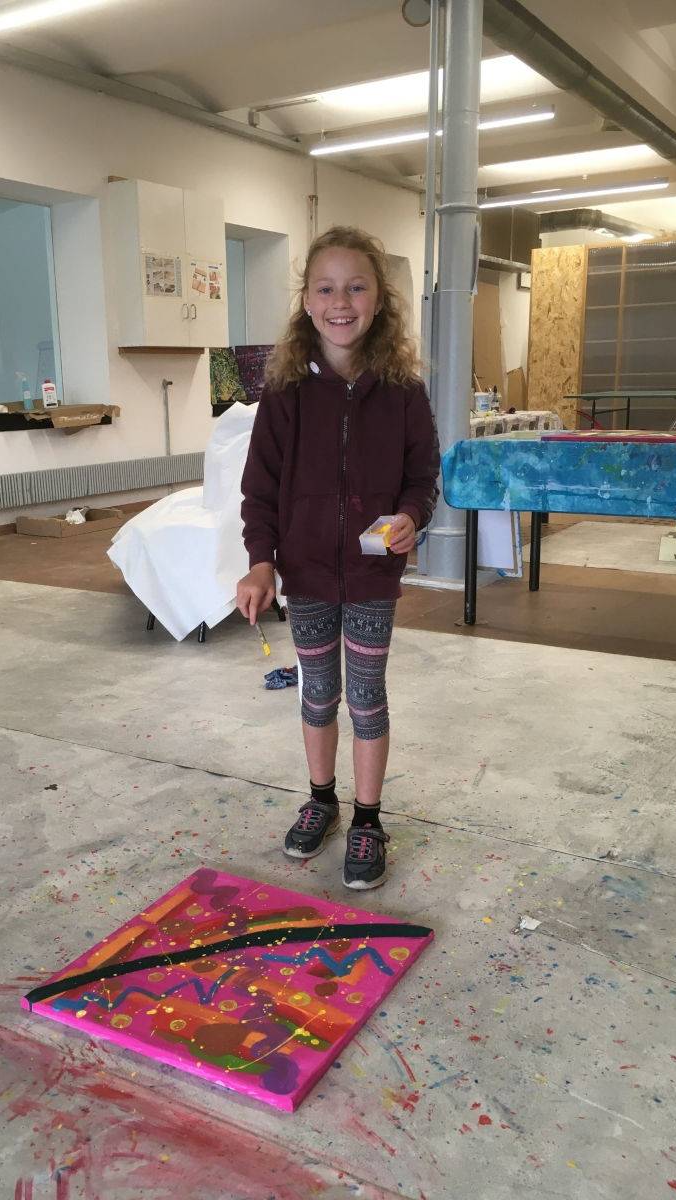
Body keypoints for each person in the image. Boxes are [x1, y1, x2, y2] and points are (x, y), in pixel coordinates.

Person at [236, 226, 440, 890]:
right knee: (318, 692)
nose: (340, 302)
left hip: (374, 572)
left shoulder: (404, 390)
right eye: (325, 288)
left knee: (367, 697)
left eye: (356, 287)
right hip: (307, 573)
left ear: (379, 300)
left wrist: (410, 517)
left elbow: (422, 477)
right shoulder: (285, 392)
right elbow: (260, 488)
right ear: (306, 300)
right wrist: (261, 561)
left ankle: (368, 820)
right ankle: (321, 800)